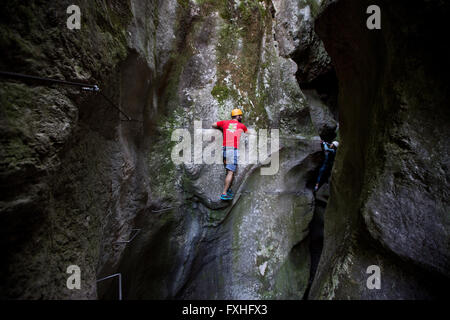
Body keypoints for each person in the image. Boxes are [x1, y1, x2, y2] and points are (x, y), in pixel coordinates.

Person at [212, 108, 248, 201]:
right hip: (232, 150)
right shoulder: (241, 125)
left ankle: (227, 190)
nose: (241, 117)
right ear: (238, 116)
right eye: (241, 116)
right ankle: (224, 193)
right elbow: (248, 133)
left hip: (224, 150)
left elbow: (214, 124)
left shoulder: (225, 123)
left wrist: (223, 128)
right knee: (231, 172)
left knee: (228, 171)